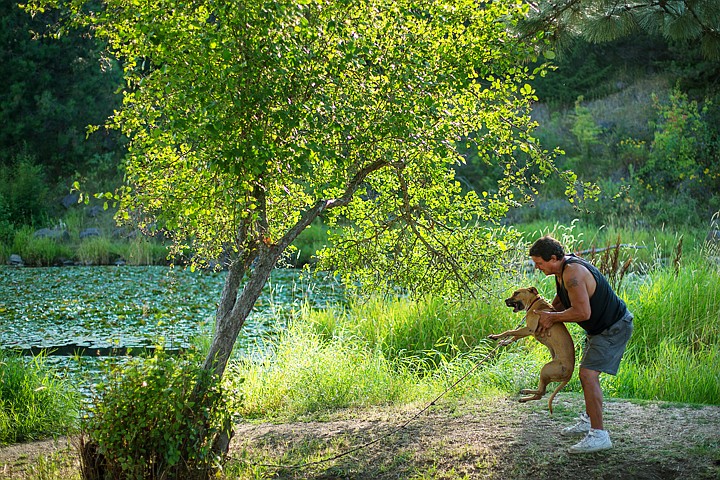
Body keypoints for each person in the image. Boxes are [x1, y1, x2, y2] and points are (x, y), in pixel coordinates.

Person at [529, 235, 634, 454]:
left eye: (540, 263)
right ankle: (589, 420)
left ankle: (599, 435)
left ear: (554, 258)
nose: (537, 268)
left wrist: (553, 318)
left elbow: (582, 312)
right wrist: (547, 313)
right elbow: (562, 300)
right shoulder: (561, 271)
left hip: (614, 326)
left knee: (588, 375)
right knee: (586, 374)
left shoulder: (573, 273)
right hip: (599, 329)